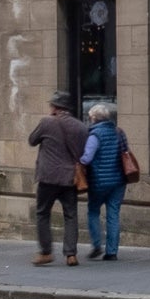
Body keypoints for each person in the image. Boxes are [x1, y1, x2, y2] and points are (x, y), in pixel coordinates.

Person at [28, 90, 87, 267]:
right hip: (70, 178)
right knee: (70, 215)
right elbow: (83, 153)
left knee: (43, 213)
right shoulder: (81, 127)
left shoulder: (47, 122)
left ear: (54, 107)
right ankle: (71, 254)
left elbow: (32, 140)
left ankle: (46, 252)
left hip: (48, 177)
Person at [80, 102, 129, 262]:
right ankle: (112, 252)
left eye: (90, 118)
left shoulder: (94, 135)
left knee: (93, 211)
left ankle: (96, 244)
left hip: (99, 182)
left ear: (94, 118)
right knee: (113, 214)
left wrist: (77, 161)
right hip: (119, 181)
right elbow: (125, 152)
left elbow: (86, 158)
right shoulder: (119, 132)